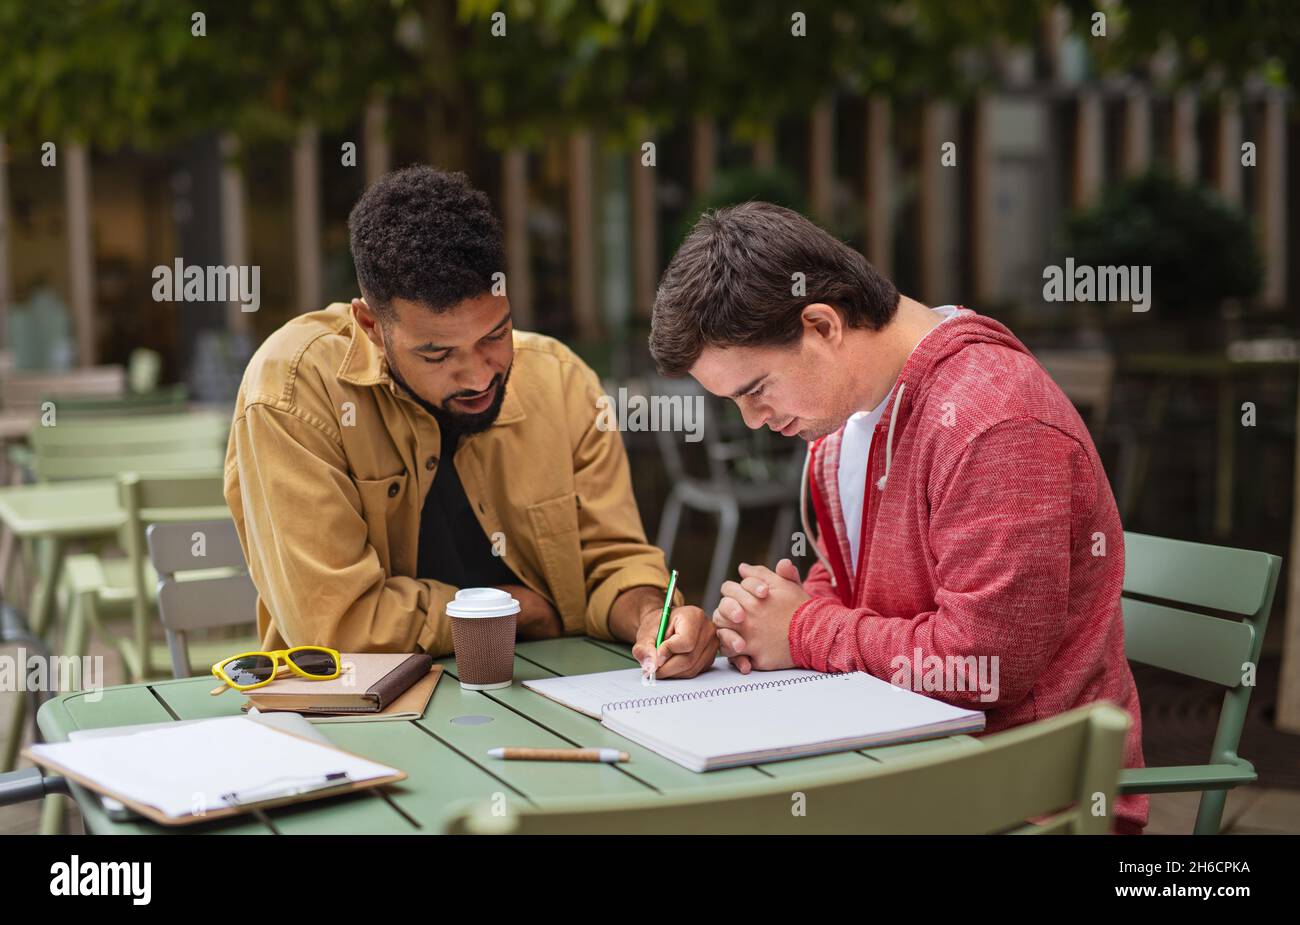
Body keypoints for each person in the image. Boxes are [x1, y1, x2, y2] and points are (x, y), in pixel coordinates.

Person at [648, 201, 1147, 833]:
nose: (754, 421)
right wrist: (767, 620)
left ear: (822, 325)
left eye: (756, 390)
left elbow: (982, 665)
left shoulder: (994, 422)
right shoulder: (844, 423)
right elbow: (846, 580)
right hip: (903, 762)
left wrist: (803, 631)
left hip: (1025, 797)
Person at [224, 166, 717, 678]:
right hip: (354, 709)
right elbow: (334, 625)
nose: (479, 376)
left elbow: (611, 563)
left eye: (494, 335)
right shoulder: (293, 389)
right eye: (437, 355)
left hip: (549, 695)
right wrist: (509, 609)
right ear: (372, 326)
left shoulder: (562, 382)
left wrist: (651, 614)